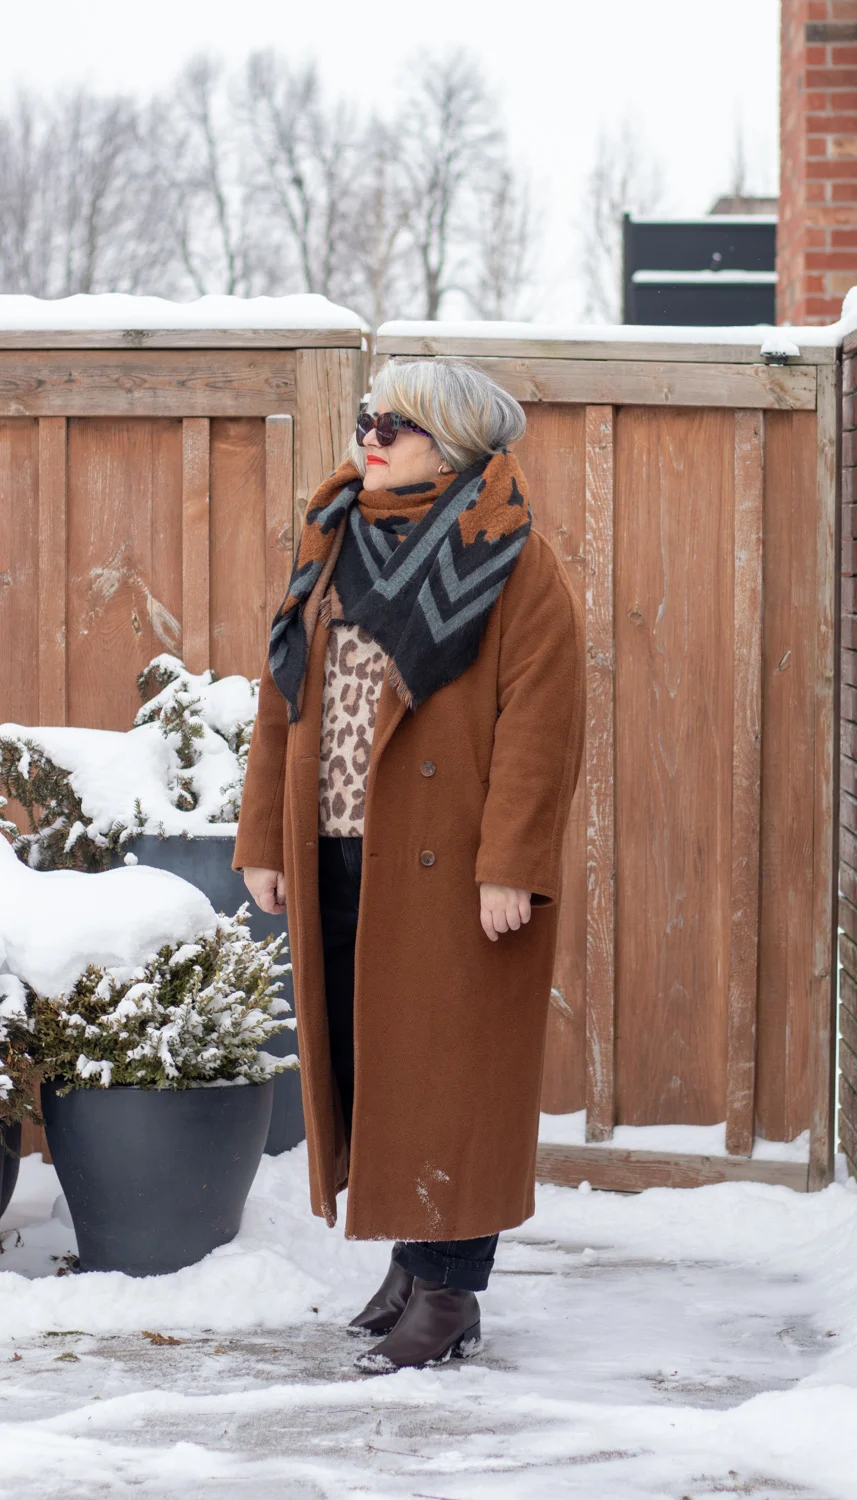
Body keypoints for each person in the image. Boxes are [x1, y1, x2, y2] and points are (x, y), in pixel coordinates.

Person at [233, 356, 586, 1373]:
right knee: (376, 1066)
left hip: (454, 870)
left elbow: (541, 726)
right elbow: (279, 699)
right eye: (366, 419)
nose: (370, 438)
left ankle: (450, 1293)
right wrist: (265, 837)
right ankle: (407, 1260)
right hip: (339, 853)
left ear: (458, 445)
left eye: (397, 425)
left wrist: (508, 864)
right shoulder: (332, 538)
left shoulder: (510, 557)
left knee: (450, 1077)